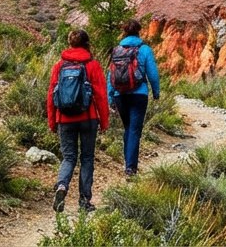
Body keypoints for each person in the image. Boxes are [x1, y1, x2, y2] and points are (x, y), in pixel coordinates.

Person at [47, 29, 109, 213]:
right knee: (87, 158)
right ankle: (84, 200)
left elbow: (51, 95)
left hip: (64, 118)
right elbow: (101, 96)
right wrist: (104, 121)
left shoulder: (59, 66)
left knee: (68, 157)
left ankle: (62, 186)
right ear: (87, 43)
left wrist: (52, 121)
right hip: (88, 118)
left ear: (70, 43)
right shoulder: (92, 65)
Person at [107, 19, 161, 176]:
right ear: (139, 31)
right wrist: (156, 92)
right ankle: (130, 167)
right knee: (134, 130)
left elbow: (111, 75)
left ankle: (128, 163)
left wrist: (110, 97)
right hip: (139, 94)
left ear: (124, 32)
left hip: (120, 95)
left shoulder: (117, 50)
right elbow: (152, 73)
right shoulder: (144, 49)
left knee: (128, 128)